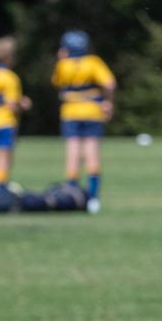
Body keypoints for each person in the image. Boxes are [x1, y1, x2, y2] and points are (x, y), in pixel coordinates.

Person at [52, 29, 116, 213]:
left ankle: (71, 194)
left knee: (72, 153)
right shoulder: (93, 62)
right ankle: (93, 198)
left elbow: (57, 83)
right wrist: (108, 103)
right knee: (92, 153)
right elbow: (109, 83)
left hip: (70, 111)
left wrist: (61, 59)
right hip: (92, 111)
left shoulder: (62, 65)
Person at [0, 36, 32, 192]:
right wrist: (23, 105)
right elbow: (11, 105)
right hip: (5, 122)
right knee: (5, 157)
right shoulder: (10, 78)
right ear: (8, 57)